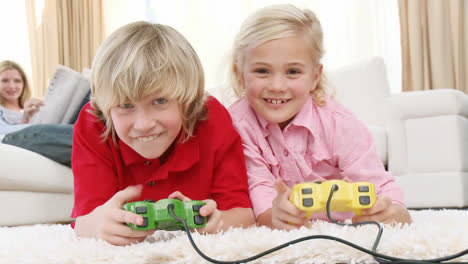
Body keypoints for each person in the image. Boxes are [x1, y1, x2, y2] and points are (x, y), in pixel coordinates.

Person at [227, 4, 411, 230]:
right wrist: (272, 216)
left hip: (342, 223)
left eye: (293, 72)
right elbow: (258, 185)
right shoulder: (237, 124)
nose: (276, 86)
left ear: (315, 77)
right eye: (262, 71)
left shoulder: (338, 122)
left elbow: (377, 184)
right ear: (240, 74)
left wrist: (393, 211)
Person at [71, 21, 255, 246]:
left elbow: (243, 216)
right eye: (126, 105)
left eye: (160, 101)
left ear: (188, 101)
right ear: (107, 107)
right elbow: (85, 222)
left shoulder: (212, 117)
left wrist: (219, 222)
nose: (144, 123)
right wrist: (98, 225)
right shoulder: (92, 122)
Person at [0, 60, 43, 125]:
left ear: (24, 84)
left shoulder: (32, 109)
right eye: (5, 81)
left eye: (17, 81)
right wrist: (25, 119)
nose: (12, 86)